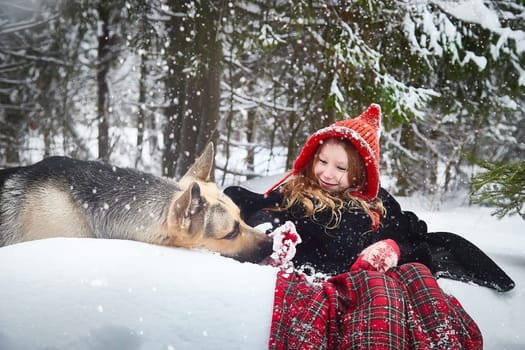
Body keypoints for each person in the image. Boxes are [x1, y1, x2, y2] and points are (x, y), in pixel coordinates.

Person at [223, 104, 508, 349]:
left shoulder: (377, 203)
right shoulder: (297, 192)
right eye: (322, 161)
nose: (327, 173)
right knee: (376, 287)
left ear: (360, 174)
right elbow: (261, 210)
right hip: (317, 280)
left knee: (410, 276)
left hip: (364, 282)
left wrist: (393, 248)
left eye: (341, 168)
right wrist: (271, 236)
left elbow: (414, 236)